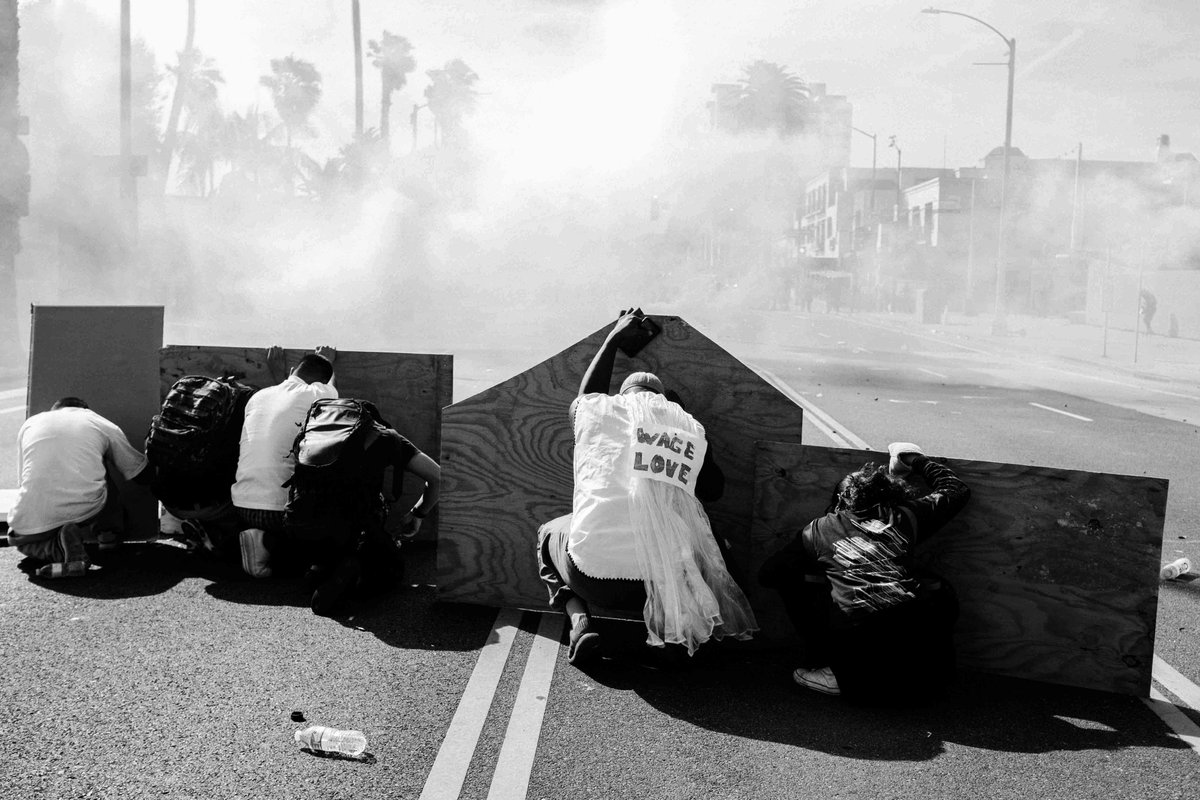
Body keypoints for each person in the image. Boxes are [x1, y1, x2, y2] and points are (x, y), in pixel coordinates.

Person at [536, 309, 757, 667]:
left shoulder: (598, 412)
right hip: (664, 582)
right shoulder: (690, 429)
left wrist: (613, 339)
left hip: (592, 578)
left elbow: (587, 394)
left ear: (624, 397)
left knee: (548, 534)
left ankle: (580, 623)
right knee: (695, 540)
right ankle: (668, 621)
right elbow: (714, 491)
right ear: (663, 403)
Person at [759, 442, 970, 703]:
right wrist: (914, 459)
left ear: (839, 501)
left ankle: (834, 670)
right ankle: (927, 671)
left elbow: (768, 574)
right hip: (928, 670)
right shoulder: (907, 516)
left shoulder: (819, 529)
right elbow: (956, 489)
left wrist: (829, 572)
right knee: (937, 587)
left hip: (859, 664)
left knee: (793, 583)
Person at [284, 398, 442, 615]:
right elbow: (437, 477)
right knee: (391, 570)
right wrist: (418, 513)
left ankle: (321, 569)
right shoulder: (383, 436)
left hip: (300, 530)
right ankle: (358, 574)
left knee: (327, 555)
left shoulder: (309, 433)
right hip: (353, 531)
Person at [7, 397, 151, 578]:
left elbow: (25, 480)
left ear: (54, 410)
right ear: (85, 409)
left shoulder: (30, 424)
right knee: (99, 462)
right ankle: (108, 533)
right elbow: (138, 473)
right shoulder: (97, 422)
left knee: (19, 541)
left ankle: (58, 549)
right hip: (83, 508)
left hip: (29, 517)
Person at [231, 345, 337, 578]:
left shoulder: (258, 397)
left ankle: (256, 539)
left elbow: (288, 400)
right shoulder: (319, 394)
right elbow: (327, 389)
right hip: (282, 513)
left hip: (242, 504)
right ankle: (268, 542)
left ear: (291, 371)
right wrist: (327, 360)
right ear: (321, 382)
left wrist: (279, 373)